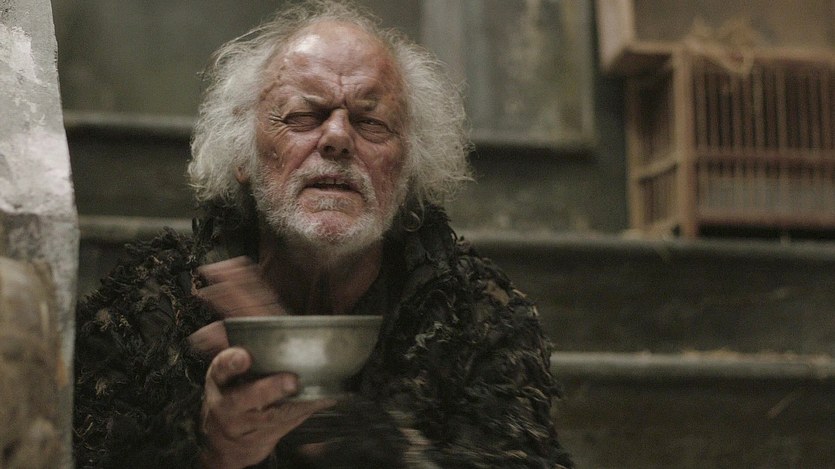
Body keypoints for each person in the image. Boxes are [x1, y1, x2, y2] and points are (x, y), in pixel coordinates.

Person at [72, 1, 573, 468]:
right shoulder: (152, 302)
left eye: (372, 122)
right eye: (302, 116)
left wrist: (339, 427)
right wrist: (208, 446)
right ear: (243, 155)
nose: (337, 138)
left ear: (408, 170)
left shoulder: (480, 315)